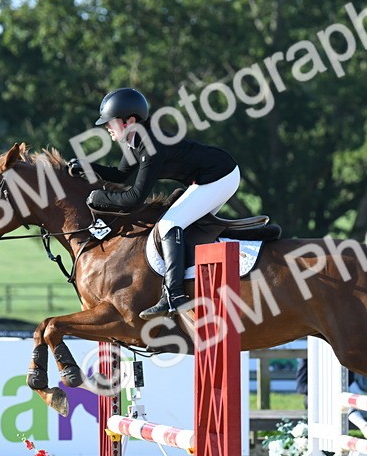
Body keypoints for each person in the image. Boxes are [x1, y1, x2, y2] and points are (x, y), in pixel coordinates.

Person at [72, 87, 241, 320]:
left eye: (110, 122)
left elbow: (134, 199)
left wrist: (98, 198)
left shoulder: (150, 145)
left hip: (219, 176)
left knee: (169, 224)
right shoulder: (135, 140)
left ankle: (174, 294)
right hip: (208, 176)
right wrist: (87, 167)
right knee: (185, 226)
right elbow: (121, 176)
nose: (107, 127)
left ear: (130, 121)